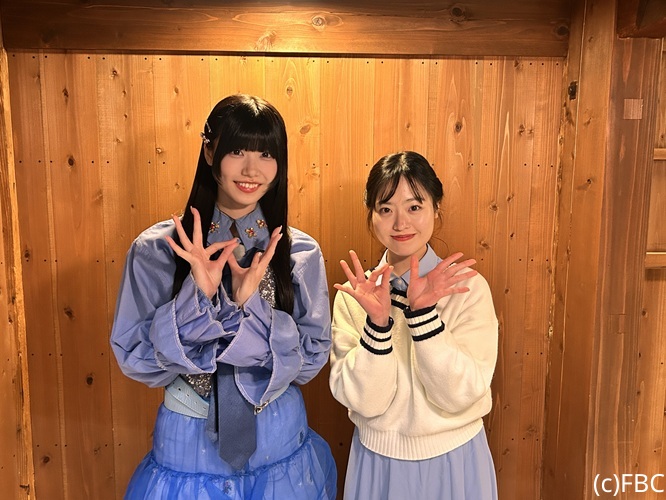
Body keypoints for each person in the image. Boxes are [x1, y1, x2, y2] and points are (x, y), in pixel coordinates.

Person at [111, 94, 337, 499]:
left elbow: (310, 360)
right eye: (236, 151)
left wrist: (251, 306)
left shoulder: (299, 253)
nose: (252, 169)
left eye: (266, 154)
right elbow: (135, 358)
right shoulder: (158, 250)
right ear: (209, 151)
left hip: (281, 438)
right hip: (187, 440)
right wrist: (196, 297)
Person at [329, 151, 498, 499]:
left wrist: (423, 316)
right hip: (377, 462)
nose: (400, 223)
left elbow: (461, 394)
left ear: (436, 208)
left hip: (456, 459)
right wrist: (378, 325)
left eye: (414, 207)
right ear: (371, 215)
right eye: (385, 209)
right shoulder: (355, 296)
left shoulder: (467, 289)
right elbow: (365, 402)